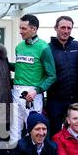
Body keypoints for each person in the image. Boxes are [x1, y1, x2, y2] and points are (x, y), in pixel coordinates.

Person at [9, 14, 56, 146]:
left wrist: (37, 90)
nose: (20, 31)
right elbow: (19, 67)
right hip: (16, 92)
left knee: (34, 132)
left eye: (24, 28)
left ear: (34, 29)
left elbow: (52, 75)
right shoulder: (19, 47)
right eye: (20, 28)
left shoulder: (44, 47)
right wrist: (2, 62)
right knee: (14, 131)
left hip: (32, 94)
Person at [47, 16, 78, 137]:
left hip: (75, 100)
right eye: (63, 27)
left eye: (69, 28)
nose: (66, 31)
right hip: (55, 100)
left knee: (74, 134)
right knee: (55, 134)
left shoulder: (77, 46)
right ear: (56, 28)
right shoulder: (48, 48)